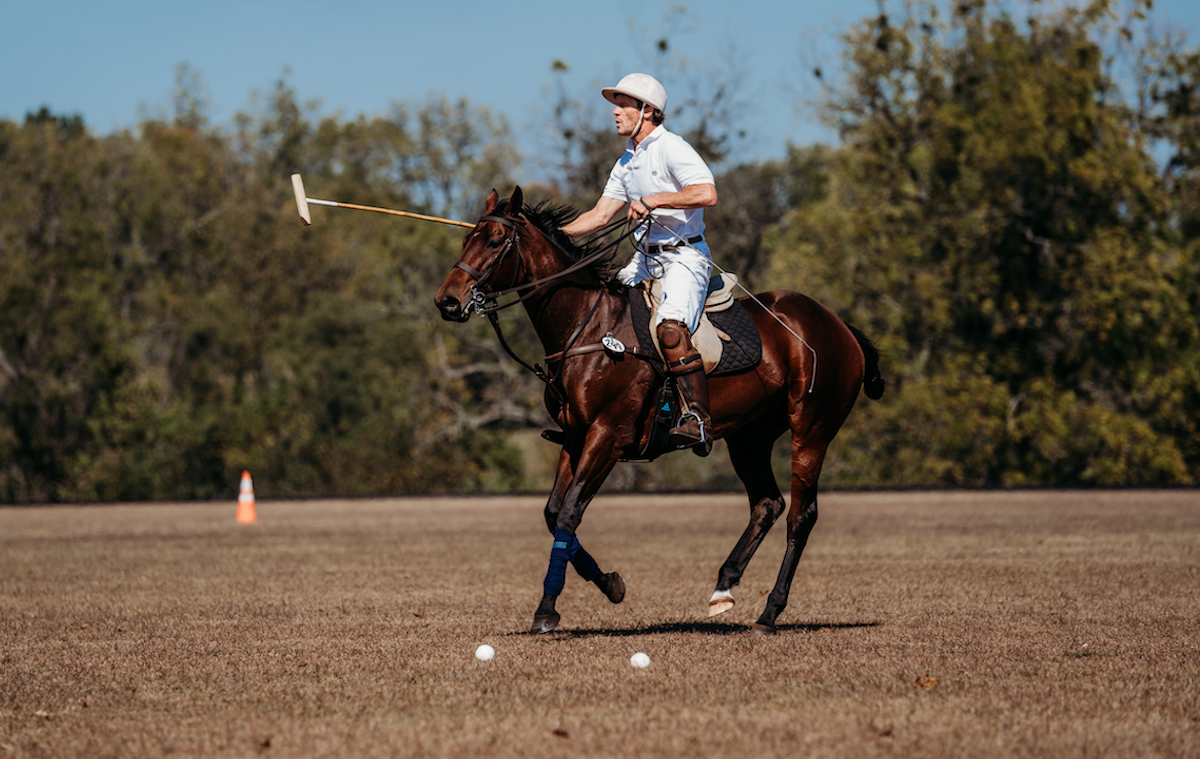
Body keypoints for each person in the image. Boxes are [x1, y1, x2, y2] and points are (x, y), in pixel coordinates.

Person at [560, 73, 718, 454]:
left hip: (684, 258)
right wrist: (545, 237)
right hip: (644, 262)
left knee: (670, 330)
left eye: (623, 105)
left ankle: (697, 420)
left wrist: (656, 200)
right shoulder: (627, 161)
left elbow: (707, 192)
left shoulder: (671, 147)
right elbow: (598, 216)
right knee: (604, 315)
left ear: (647, 111)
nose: (615, 112)